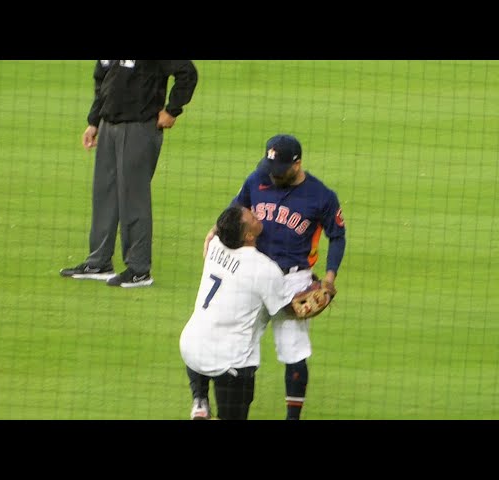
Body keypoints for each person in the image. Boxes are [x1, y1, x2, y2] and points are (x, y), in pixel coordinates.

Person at [202, 134, 347, 420]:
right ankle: (226, 411)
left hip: (293, 282)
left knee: (294, 351)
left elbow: (337, 236)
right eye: (271, 167)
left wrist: (329, 278)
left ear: (297, 164)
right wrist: (215, 229)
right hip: (253, 274)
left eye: (280, 169)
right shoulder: (258, 178)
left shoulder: (321, 196)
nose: (273, 175)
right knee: (235, 346)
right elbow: (236, 208)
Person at [60, 60, 198, 288]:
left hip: (139, 127)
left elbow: (187, 73)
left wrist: (172, 110)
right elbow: (102, 80)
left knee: (133, 198)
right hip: (108, 125)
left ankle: (139, 269)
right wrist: (94, 121)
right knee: (105, 194)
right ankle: (99, 262)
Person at [180, 205, 302, 420]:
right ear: (248, 235)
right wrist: (311, 298)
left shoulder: (216, 244)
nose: (258, 215)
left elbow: (219, 229)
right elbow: (286, 311)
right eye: (253, 218)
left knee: (202, 338)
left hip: (191, 348)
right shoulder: (264, 268)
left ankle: (200, 400)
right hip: (230, 362)